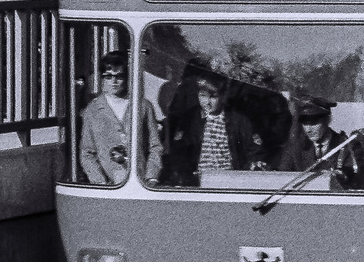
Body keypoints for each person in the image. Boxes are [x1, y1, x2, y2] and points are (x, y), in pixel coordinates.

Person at [162, 74, 268, 184]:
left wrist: (255, 162)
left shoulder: (238, 121)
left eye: (213, 97)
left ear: (223, 96)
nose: (207, 102)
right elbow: (180, 151)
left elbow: (253, 149)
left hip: (230, 179)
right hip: (199, 181)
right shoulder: (190, 119)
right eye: (203, 95)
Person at [74, 52, 159, 185]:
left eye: (119, 76)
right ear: (102, 78)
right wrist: (100, 182)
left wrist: (151, 177)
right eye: (108, 76)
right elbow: (87, 153)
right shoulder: (92, 110)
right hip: (108, 186)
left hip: (140, 184)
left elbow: (155, 146)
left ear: (127, 78)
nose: (113, 81)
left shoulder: (143, 106)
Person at [275, 99, 364, 192]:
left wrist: (342, 177)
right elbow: (282, 179)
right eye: (305, 123)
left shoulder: (349, 146)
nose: (309, 129)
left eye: (314, 123)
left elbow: (358, 180)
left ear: (327, 120)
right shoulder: (295, 149)